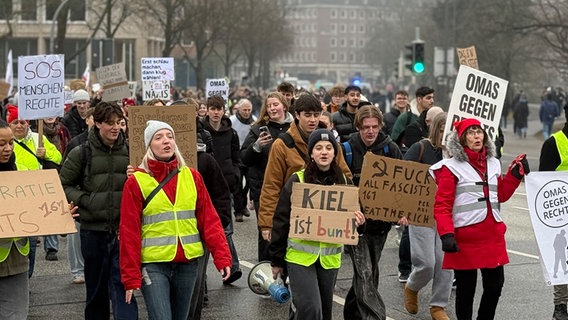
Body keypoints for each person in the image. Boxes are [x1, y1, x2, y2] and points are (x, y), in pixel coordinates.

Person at [119, 120, 232, 320]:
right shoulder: (136, 182)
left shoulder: (192, 177)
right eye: (159, 137)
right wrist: (130, 277)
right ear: (149, 145)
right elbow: (129, 231)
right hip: (153, 264)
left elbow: (209, 220)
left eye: (170, 137)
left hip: (187, 263)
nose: (166, 141)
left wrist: (222, 256)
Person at [430, 118, 529, 320]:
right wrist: (446, 234)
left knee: (495, 286)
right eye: (471, 132)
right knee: (466, 292)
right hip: (464, 239)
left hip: (492, 236)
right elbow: (442, 205)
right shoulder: (450, 167)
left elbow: (499, 194)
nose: (477, 136)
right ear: (461, 139)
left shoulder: (493, 162)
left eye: (479, 132)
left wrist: (514, 176)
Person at [269, 128, 365, 320]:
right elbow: (281, 220)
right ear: (311, 153)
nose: (324, 152)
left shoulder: (344, 182)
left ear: (334, 152)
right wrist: (277, 260)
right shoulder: (298, 180)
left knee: (324, 312)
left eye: (329, 147)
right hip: (300, 259)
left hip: (329, 260)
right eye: (319, 147)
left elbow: (356, 221)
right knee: (311, 309)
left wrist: (360, 222)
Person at [60, 101, 139, 320]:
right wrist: (85, 200)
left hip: (124, 232)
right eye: (110, 123)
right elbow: (63, 184)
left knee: (124, 289)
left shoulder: (132, 152)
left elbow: (147, 187)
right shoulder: (81, 152)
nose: (116, 128)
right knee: (96, 293)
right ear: (97, 124)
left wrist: (138, 178)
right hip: (93, 231)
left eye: (120, 123)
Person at [0, 119, 77, 320]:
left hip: (16, 260)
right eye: (1, 144)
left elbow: (43, 212)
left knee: (16, 315)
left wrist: (61, 214)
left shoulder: (25, 175)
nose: (8, 148)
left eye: (10, 143)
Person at [257, 93, 351, 247]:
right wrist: (267, 224)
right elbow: (271, 186)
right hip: (294, 216)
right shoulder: (282, 145)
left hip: (326, 216)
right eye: (307, 115)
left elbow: (345, 177)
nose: (313, 120)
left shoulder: (330, 142)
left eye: (316, 115)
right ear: (297, 115)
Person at [340, 105, 403, 319]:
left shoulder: (390, 149)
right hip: (355, 226)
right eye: (366, 127)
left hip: (380, 225)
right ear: (358, 127)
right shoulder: (346, 149)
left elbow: (402, 185)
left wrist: (403, 210)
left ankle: (351, 312)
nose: (370, 131)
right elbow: (339, 183)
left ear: (380, 126)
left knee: (368, 273)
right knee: (365, 273)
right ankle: (375, 316)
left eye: (375, 127)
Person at [402, 112, 453, 320]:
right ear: (435, 129)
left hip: (447, 215)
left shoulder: (458, 155)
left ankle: (438, 306)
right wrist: (403, 210)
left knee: (446, 263)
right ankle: (412, 286)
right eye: (442, 130)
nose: (445, 134)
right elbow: (402, 178)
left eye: (449, 131)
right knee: (426, 262)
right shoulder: (420, 148)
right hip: (421, 212)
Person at [7, 106, 62, 268]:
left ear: (28, 123)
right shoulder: (5, 143)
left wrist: (46, 153)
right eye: (15, 122)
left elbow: (58, 158)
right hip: (12, 196)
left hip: (35, 194)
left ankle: (27, 274)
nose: (19, 126)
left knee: (30, 242)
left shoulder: (39, 138)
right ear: (9, 125)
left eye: (22, 122)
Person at [241, 92, 293, 261]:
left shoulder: (295, 129)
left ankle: (286, 271)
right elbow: (244, 158)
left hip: (289, 189)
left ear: (284, 106)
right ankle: (265, 273)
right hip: (263, 189)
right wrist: (256, 147)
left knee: (287, 231)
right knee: (266, 232)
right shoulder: (257, 129)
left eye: (275, 105)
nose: (272, 109)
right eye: (269, 106)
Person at [201, 95, 243, 284]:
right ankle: (206, 273)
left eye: (219, 109)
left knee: (225, 229)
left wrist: (235, 175)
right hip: (206, 184)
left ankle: (232, 267)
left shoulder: (231, 133)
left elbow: (236, 157)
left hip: (226, 184)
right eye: (213, 108)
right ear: (207, 110)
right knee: (208, 230)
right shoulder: (201, 131)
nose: (216, 112)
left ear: (224, 110)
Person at [539, 104, 568, 320]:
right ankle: (560, 306)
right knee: (563, 260)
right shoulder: (553, 143)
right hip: (561, 213)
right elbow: (542, 183)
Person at [230, 98, 257, 219]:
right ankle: (238, 211)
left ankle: (243, 205)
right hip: (236, 154)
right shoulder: (232, 120)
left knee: (249, 183)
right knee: (237, 183)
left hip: (250, 154)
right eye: (244, 110)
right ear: (239, 109)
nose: (246, 112)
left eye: (249, 110)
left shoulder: (255, 121)